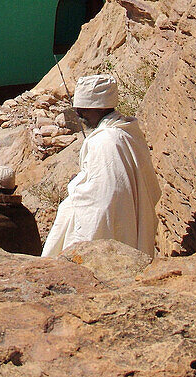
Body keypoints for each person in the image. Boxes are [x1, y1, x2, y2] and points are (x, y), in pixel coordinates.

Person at [42, 74, 160, 258]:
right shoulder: (125, 132)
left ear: (101, 108)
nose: (80, 115)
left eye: (84, 110)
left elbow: (104, 200)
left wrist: (76, 193)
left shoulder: (107, 141)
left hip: (112, 232)